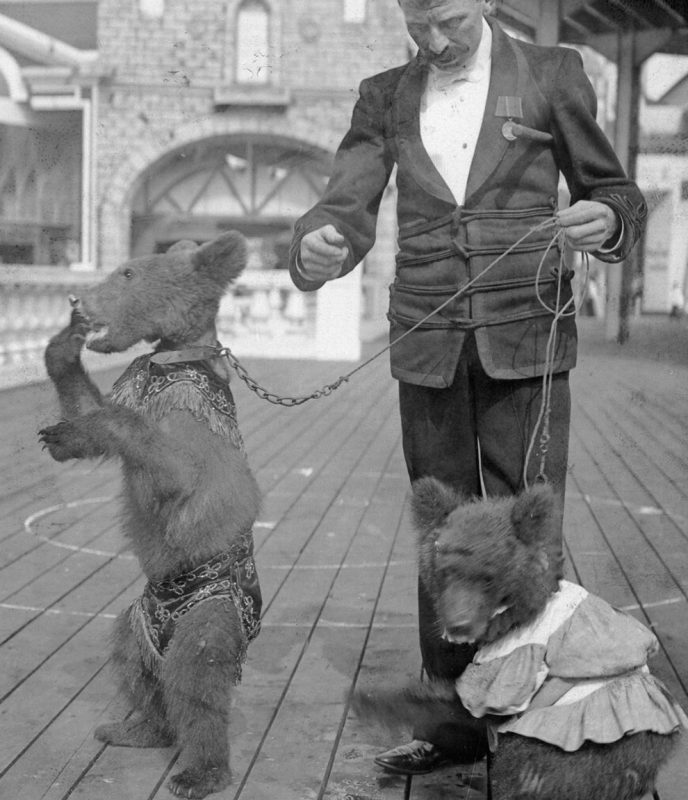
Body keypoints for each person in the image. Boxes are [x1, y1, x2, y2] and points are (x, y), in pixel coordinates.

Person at [288, 0, 647, 776]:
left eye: (449, 19)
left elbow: (616, 192)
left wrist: (606, 221)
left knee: (528, 529)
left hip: (530, 339)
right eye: (418, 24)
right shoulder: (383, 93)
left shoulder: (553, 74)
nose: (435, 40)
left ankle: (533, 719)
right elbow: (344, 206)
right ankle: (451, 727)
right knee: (441, 533)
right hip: (427, 345)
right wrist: (318, 244)